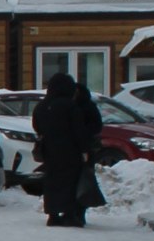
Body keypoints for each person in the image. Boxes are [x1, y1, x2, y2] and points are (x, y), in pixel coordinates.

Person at [30, 72, 107, 229]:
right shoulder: (70, 106)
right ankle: (69, 215)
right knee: (70, 182)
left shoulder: (41, 106)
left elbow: (37, 127)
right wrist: (85, 149)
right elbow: (78, 130)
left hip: (50, 151)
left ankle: (52, 215)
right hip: (70, 151)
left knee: (52, 182)